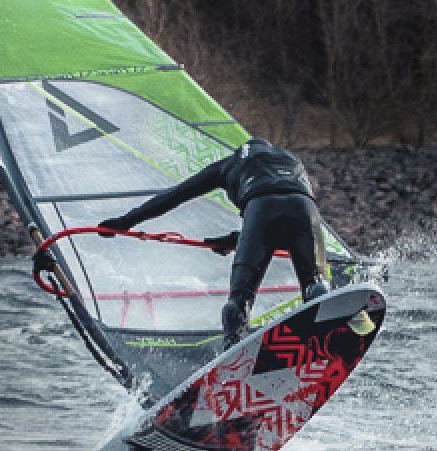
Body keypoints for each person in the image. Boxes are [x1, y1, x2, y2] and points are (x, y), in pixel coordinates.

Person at [98, 138, 330, 344]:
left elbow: (174, 196)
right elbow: (287, 229)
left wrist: (124, 222)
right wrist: (236, 239)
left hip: (260, 209)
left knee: (240, 299)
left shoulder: (228, 165)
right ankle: (327, 326)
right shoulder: (291, 160)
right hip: (305, 208)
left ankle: (232, 345)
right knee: (315, 284)